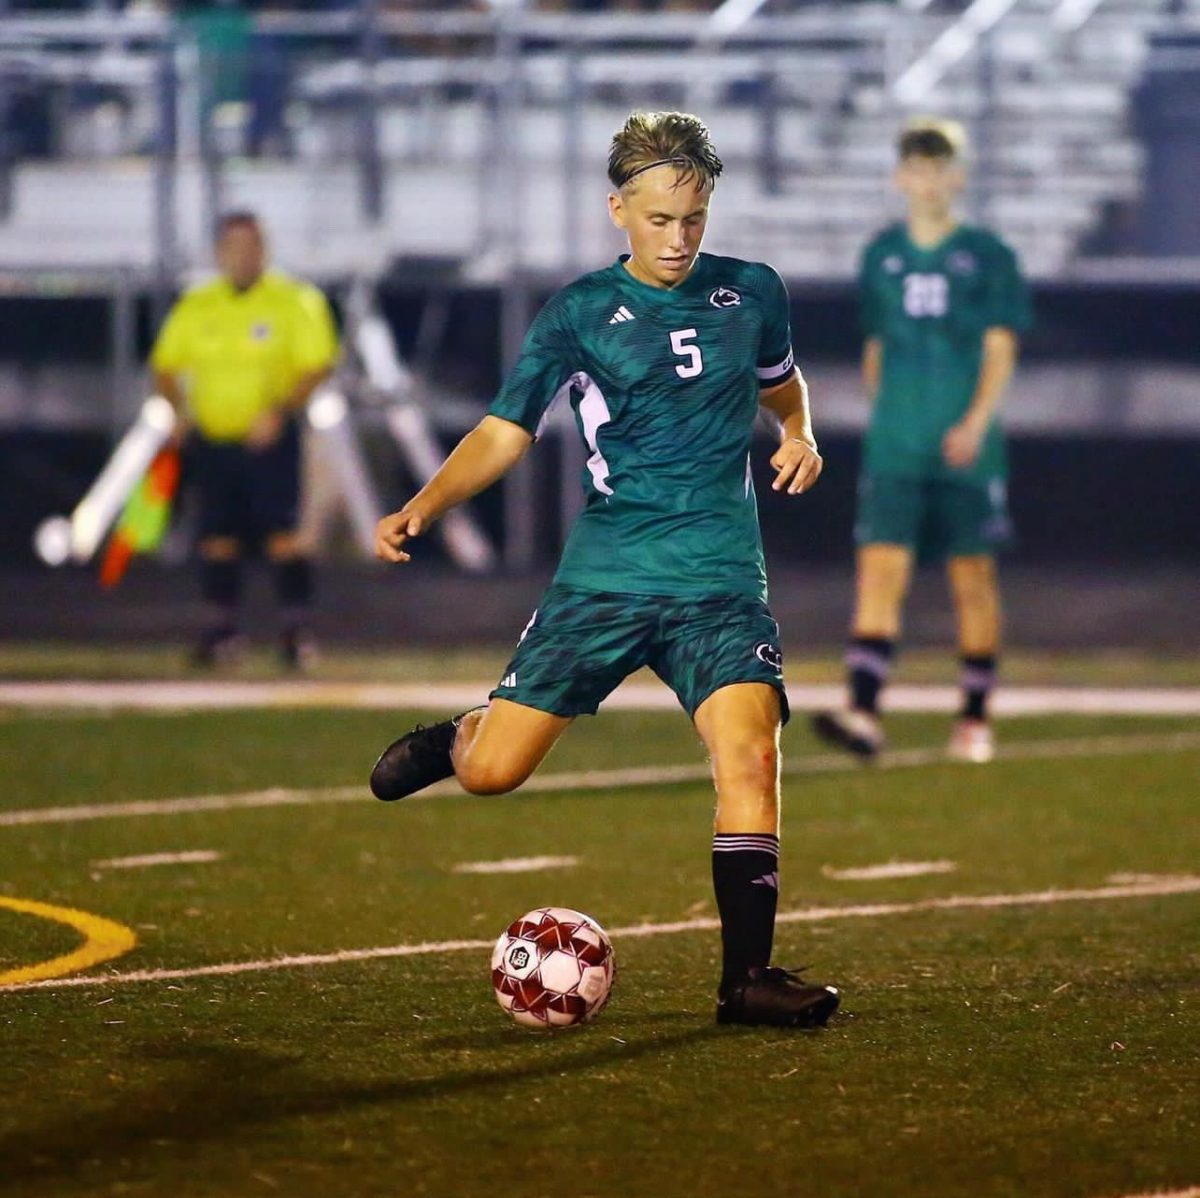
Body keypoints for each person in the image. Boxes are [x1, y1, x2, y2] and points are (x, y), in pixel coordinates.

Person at [369, 111, 840, 1029]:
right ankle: (455, 739)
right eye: (660, 219)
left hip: (718, 580)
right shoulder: (581, 313)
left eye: (694, 219)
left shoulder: (752, 292)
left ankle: (746, 980)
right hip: (607, 580)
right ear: (617, 208)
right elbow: (505, 430)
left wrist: (801, 432)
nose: (678, 239)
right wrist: (424, 504)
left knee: (750, 754)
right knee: (496, 772)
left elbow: (783, 384)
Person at [812, 118, 1032, 764]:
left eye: (941, 166)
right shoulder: (881, 255)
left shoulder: (988, 255)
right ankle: (863, 712)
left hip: (967, 444)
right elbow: (876, 348)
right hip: (898, 443)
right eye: (919, 165)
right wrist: (892, 418)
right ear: (900, 176)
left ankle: (973, 717)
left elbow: (1000, 346)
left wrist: (976, 421)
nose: (930, 179)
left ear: (958, 176)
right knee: (879, 573)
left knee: (973, 578)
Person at [150, 211, 339, 669]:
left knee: (283, 534)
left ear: (264, 249)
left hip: (270, 437)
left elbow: (317, 364)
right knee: (217, 535)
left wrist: (279, 410)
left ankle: (295, 634)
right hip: (214, 438)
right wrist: (181, 411)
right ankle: (222, 634)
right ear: (219, 253)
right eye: (233, 246)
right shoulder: (198, 304)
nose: (242, 255)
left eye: (250, 245)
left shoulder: (294, 300)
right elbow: (166, 365)